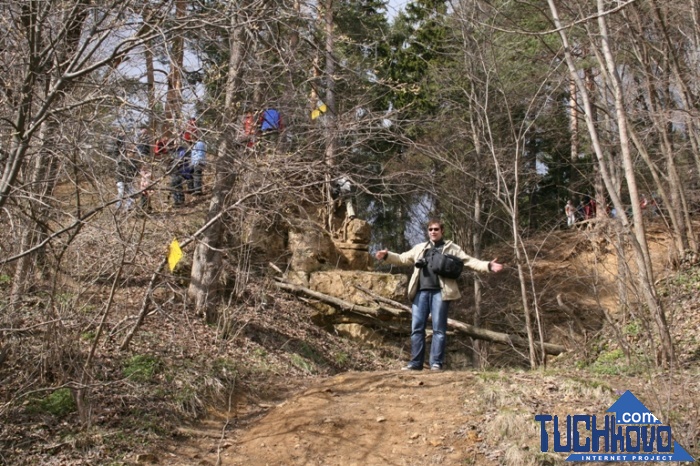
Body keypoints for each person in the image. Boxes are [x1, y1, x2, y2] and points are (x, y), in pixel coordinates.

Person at [374, 219, 503, 371]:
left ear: (442, 231)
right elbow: (402, 258)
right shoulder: (420, 248)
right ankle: (416, 363)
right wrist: (386, 255)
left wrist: (488, 265)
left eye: (436, 229)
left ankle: (436, 363)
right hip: (420, 293)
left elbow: (469, 261)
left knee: (439, 329)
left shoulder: (451, 248)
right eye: (430, 229)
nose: (433, 232)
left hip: (440, 293)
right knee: (416, 328)